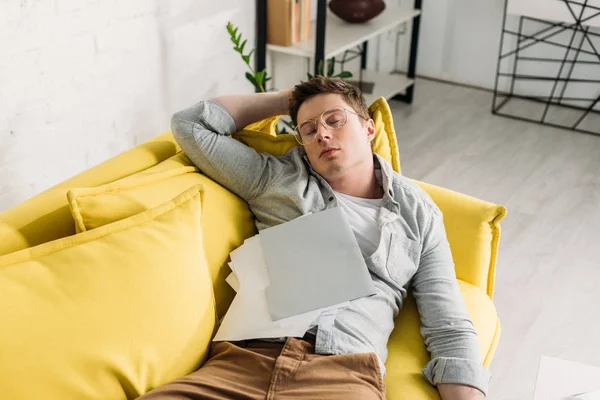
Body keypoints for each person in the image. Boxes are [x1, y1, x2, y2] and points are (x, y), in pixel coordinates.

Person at [140, 76, 488, 400]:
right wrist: (286, 100)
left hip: (343, 374)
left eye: (335, 120)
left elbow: (449, 326)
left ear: (368, 127)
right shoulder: (274, 180)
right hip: (241, 363)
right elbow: (190, 126)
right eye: (309, 129)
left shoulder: (420, 213)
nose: (322, 133)